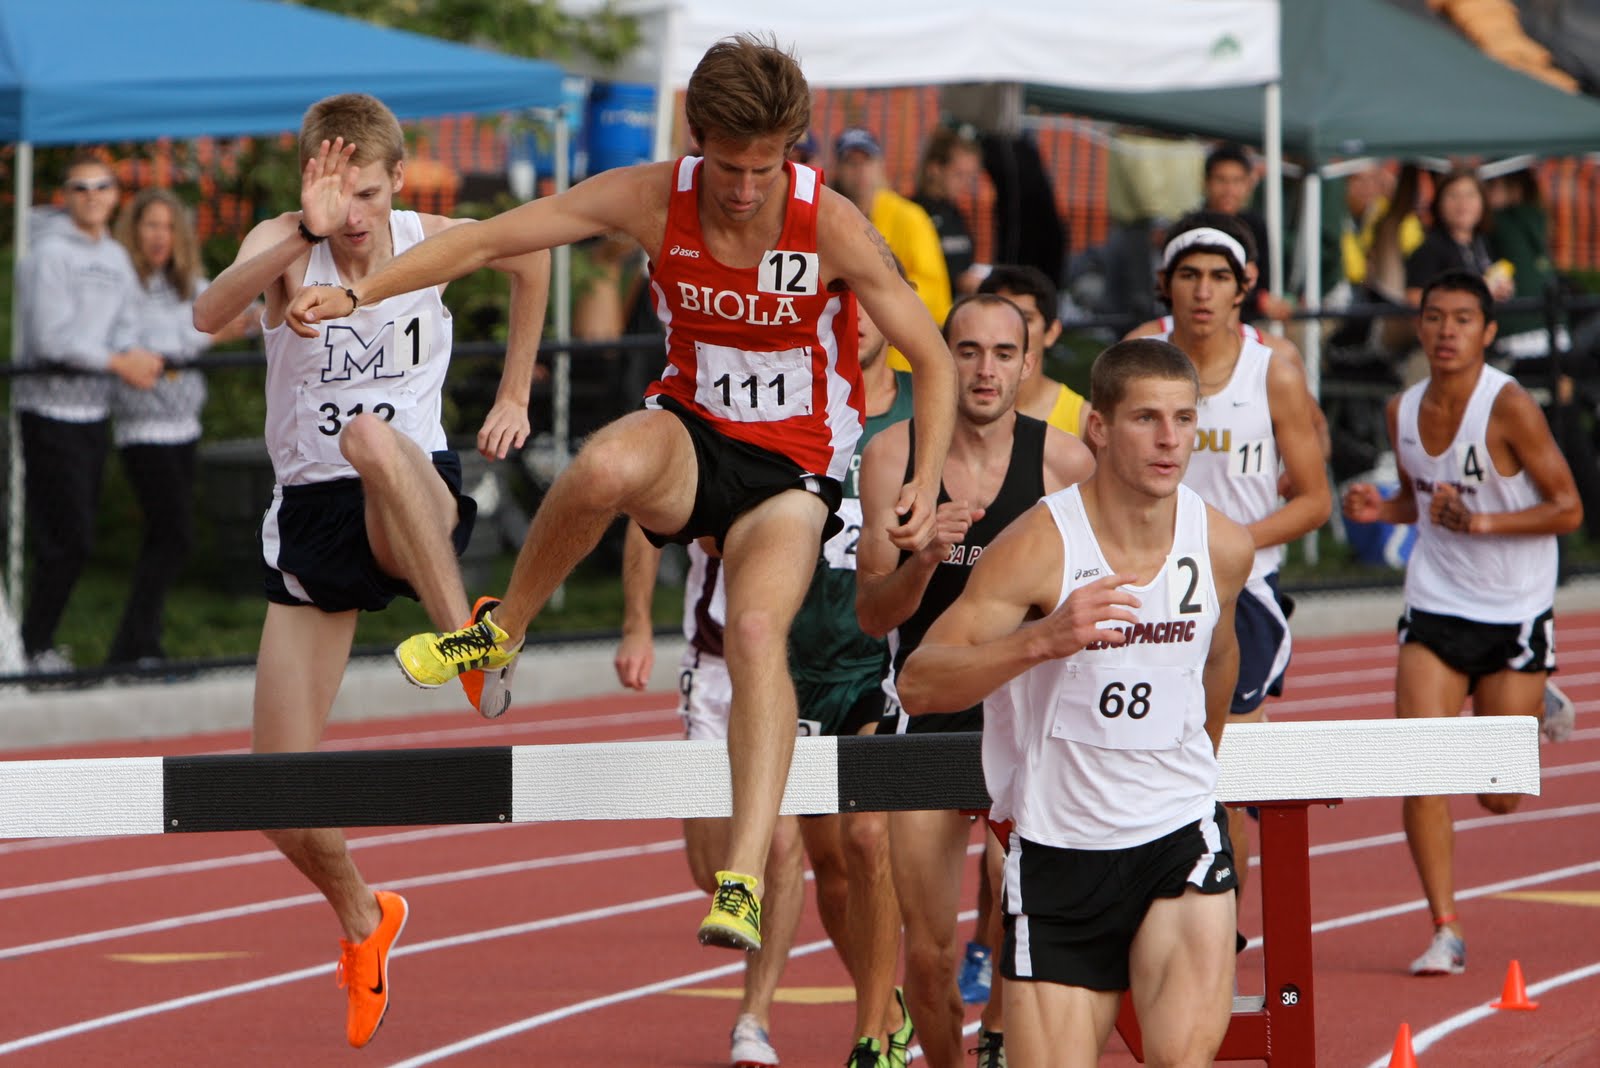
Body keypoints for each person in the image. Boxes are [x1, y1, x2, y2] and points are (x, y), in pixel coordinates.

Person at [290, 36, 960, 956]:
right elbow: (488, 239)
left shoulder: (829, 222)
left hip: (794, 468)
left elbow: (931, 355)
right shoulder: (651, 196)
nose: (744, 189)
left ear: (791, 152)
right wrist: (356, 296)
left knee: (754, 632)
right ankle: (500, 633)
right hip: (693, 433)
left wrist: (924, 473)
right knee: (603, 466)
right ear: (696, 140)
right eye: (728, 167)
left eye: (765, 168)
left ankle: (741, 882)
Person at [192, 92, 549, 1047]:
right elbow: (209, 313)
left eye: (370, 196)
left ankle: (466, 640)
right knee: (272, 792)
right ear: (312, 182)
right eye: (338, 196)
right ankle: (364, 915)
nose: (355, 218)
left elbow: (534, 255)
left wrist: (516, 390)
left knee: (372, 438)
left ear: (397, 182)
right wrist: (297, 234)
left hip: (411, 498)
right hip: (313, 517)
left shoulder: (429, 240)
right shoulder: (287, 243)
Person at [894, 336, 1255, 1068]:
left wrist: (1194, 770)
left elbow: (1218, 659)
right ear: (1099, 426)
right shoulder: (1041, 544)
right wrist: (1041, 640)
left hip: (1177, 836)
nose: (1169, 439)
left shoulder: (1222, 546)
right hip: (1060, 852)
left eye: (1184, 419)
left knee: (1181, 1060)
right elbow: (920, 681)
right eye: (1146, 418)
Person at [614, 303, 916, 1068]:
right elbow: (645, 516)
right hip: (731, 660)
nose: (856, 320)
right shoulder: (739, 404)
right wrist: (637, 623)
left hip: (858, 666)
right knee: (736, 865)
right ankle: (874, 1000)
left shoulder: (907, 421)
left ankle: (787, 1018)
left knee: (821, 849)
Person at [856, 293, 1095, 1068]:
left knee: (1022, 916)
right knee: (928, 960)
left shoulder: (1066, 465)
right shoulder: (893, 458)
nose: (985, 370)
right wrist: (925, 560)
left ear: (1028, 365)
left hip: (1030, 719)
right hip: (929, 714)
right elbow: (872, 615)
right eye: (967, 351)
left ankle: (998, 1029)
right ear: (939, 358)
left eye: (1003, 353)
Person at [1342, 270, 1581, 978]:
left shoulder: (1509, 408)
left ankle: (1533, 696)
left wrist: (1482, 522)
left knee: (1498, 796)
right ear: (1419, 327)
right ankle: (1445, 929)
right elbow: (1420, 503)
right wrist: (1380, 509)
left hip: (1514, 611)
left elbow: (1568, 508)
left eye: (1463, 319)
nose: (1447, 331)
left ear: (1488, 331)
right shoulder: (1401, 409)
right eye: (1435, 317)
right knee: (1422, 770)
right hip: (1436, 605)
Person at [1137, 212, 1331, 916]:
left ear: (1242, 287)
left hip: (1242, 591)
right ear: (1166, 283)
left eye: (1218, 277)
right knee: (1145, 760)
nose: (1203, 291)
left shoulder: (1272, 369)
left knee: (1221, 772)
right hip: (1149, 585)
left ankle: (1223, 930)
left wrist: (1228, 544)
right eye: (1189, 275)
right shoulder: (1139, 356)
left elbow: (1315, 500)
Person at [615, 529, 811, 1068]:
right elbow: (643, 525)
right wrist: (636, 625)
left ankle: (755, 1018)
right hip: (712, 669)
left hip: (788, 668)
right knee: (710, 869)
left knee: (780, 845)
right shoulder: (707, 471)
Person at [14, 152, 164, 673]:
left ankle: (35, 645)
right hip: (48, 411)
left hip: (94, 412)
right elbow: (50, 340)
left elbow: (127, 325)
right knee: (65, 539)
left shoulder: (117, 258)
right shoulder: (48, 255)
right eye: (81, 187)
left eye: (102, 186)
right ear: (65, 195)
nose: (92, 196)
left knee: (76, 537)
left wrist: (138, 355)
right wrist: (119, 362)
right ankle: (31, 649)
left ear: (116, 196)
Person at [106, 187, 256, 667]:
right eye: (151, 225)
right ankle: (132, 647)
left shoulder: (189, 284)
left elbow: (231, 314)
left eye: (169, 227)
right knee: (174, 535)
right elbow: (151, 342)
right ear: (134, 230)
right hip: (142, 427)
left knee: (164, 536)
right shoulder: (122, 282)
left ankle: (140, 647)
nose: (160, 236)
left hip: (184, 426)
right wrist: (203, 332)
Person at [831, 126, 953, 356]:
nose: (860, 170)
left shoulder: (910, 217)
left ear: (880, 166)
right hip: (839, 350)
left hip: (899, 354)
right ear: (837, 168)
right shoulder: (827, 216)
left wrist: (876, 296)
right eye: (851, 162)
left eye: (867, 161)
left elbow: (936, 293)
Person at [979, 265, 1087, 436]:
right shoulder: (948, 410)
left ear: (1051, 332)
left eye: (1026, 319)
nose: (1011, 328)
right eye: (1001, 317)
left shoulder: (1082, 420)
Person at [1200, 142, 1290, 323]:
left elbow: (1265, 280)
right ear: (1206, 183)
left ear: (1248, 184)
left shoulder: (1255, 225)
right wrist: (1258, 300)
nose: (1229, 190)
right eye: (1221, 180)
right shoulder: (1193, 227)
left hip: (1247, 322)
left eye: (1237, 181)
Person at [1404, 169, 1514, 309]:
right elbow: (1413, 299)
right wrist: (1471, 296)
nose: (1463, 204)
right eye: (1453, 196)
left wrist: (1501, 289)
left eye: (1470, 195)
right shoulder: (1430, 248)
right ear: (1439, 203)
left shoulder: (1484, 242)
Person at [913, 125, 987, 297]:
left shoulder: (956, 214)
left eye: (970, 176)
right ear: (935, 168)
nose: (965, 183)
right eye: (959, 174)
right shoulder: (912, 212)